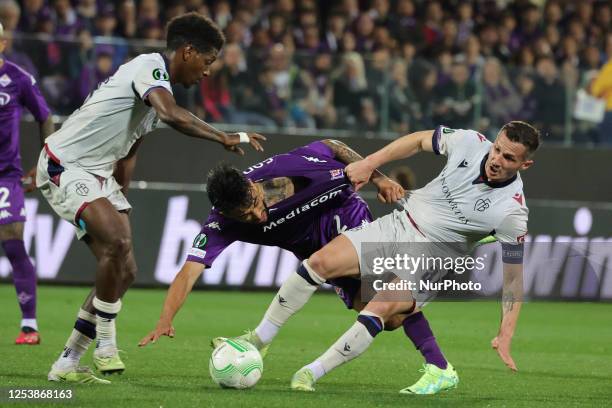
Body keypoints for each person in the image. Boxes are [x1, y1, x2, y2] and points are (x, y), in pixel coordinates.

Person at [38, 12, 265, 384]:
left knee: (124, 271)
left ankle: (67, 362)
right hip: (67, 163)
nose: (207, 72)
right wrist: (222, 136)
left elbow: (128, 150)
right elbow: (170, 114)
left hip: (98, 175)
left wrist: (118, 197)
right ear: (188, 52)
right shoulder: (149, 68)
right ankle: (107, 344)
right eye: (207, 62)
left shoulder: (157, 94)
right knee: (118, 241)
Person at [232, 121, 539, 395]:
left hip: (430, 258)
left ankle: (310, 373)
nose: (497, 160)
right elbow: (418, 141)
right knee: (318, 264)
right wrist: (369, 164)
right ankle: (260, 339)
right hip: (398, 226)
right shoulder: (470, 142)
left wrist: (505, 333)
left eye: (509, 158)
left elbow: (513, 278)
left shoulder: (512, 211)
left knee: (378, 308)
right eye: (498, 149)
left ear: (525, 165)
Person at [138, 140, 405, 348]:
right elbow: (188, 272)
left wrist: (380, 178)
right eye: (243, 216)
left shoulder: (285, 167)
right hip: (314, 253)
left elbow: (333, 146)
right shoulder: (220, 223)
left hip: (343, 214)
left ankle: (435, 360)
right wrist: (165, 319)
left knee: (387, 290)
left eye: (253, 205)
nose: (255, 216)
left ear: (253, 186)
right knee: (389, 319)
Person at [0, 22, 54, 345]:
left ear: (2, 43)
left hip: (6, 175)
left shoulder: (18, 79)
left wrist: (45, 162)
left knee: (12, 239)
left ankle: (29, 325)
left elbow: (44, 116)